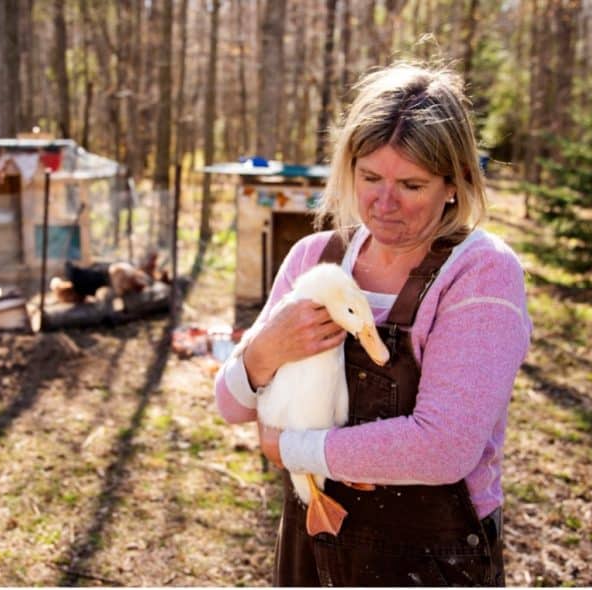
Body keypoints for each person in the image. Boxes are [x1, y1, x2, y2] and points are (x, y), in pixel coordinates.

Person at [214, 63, 532, 586]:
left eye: (411, 184)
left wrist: (289, 448)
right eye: (369, 178)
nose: (384, 204)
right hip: (313, 538)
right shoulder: (316, 258)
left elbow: (445, 447)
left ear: (453, 183)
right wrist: (262, 352)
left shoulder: (481, 275)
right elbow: (230, 405)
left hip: (431, 557)